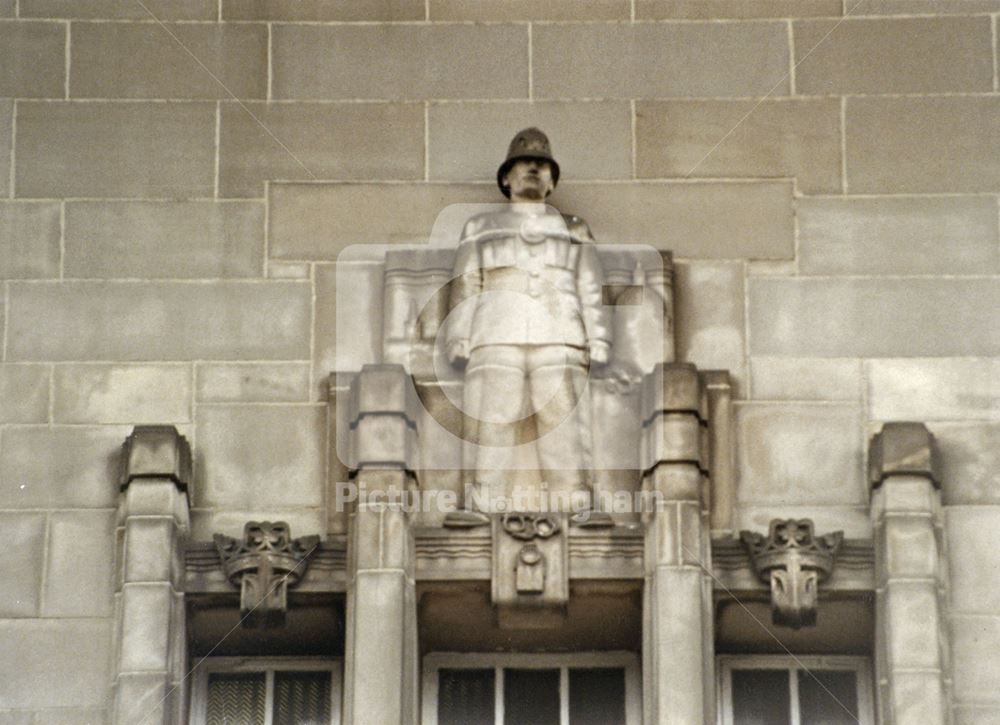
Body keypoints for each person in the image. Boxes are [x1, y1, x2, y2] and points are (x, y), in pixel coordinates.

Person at [444, 128, 611, 526]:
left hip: (560, 335)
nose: (533, 169)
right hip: (495, 333)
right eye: (524, 164)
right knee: (493, 417)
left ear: (552, 181)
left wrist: (598, 336)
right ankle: (482, 501)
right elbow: (467, 281)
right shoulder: (481, 226)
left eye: (541, 166)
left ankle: (576, 501)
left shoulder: (574, 228)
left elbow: (589, 284)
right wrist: (459, 334)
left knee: (561, 422)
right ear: (506, 178)